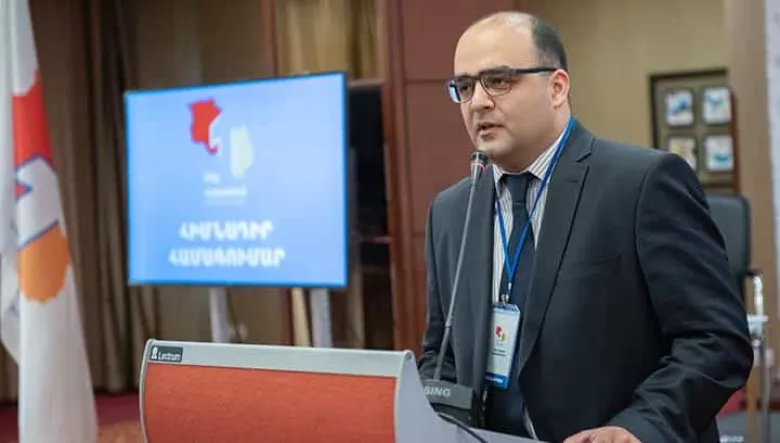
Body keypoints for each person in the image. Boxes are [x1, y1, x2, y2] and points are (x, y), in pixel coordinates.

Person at [418, 11, 753, 443]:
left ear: (557, 88)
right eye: (464, 87)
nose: (478, 101)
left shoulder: (642, 184)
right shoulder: (450, 212)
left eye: (498, 81)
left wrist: (638, 427)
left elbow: (716, 340)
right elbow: (441, 355)